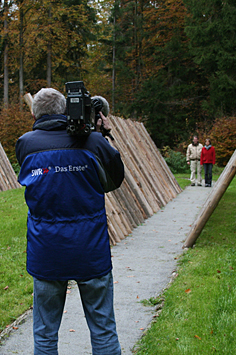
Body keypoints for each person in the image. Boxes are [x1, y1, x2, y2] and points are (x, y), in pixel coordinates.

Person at [15, 88, 124, 355]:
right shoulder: (94, 143)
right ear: (65, 111)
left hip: (46, 252)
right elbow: (114, 180)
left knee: (44, 334)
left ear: (33, 113)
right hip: (91, 251)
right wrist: (103, 134)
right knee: (104, 330)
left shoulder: (25, 144)